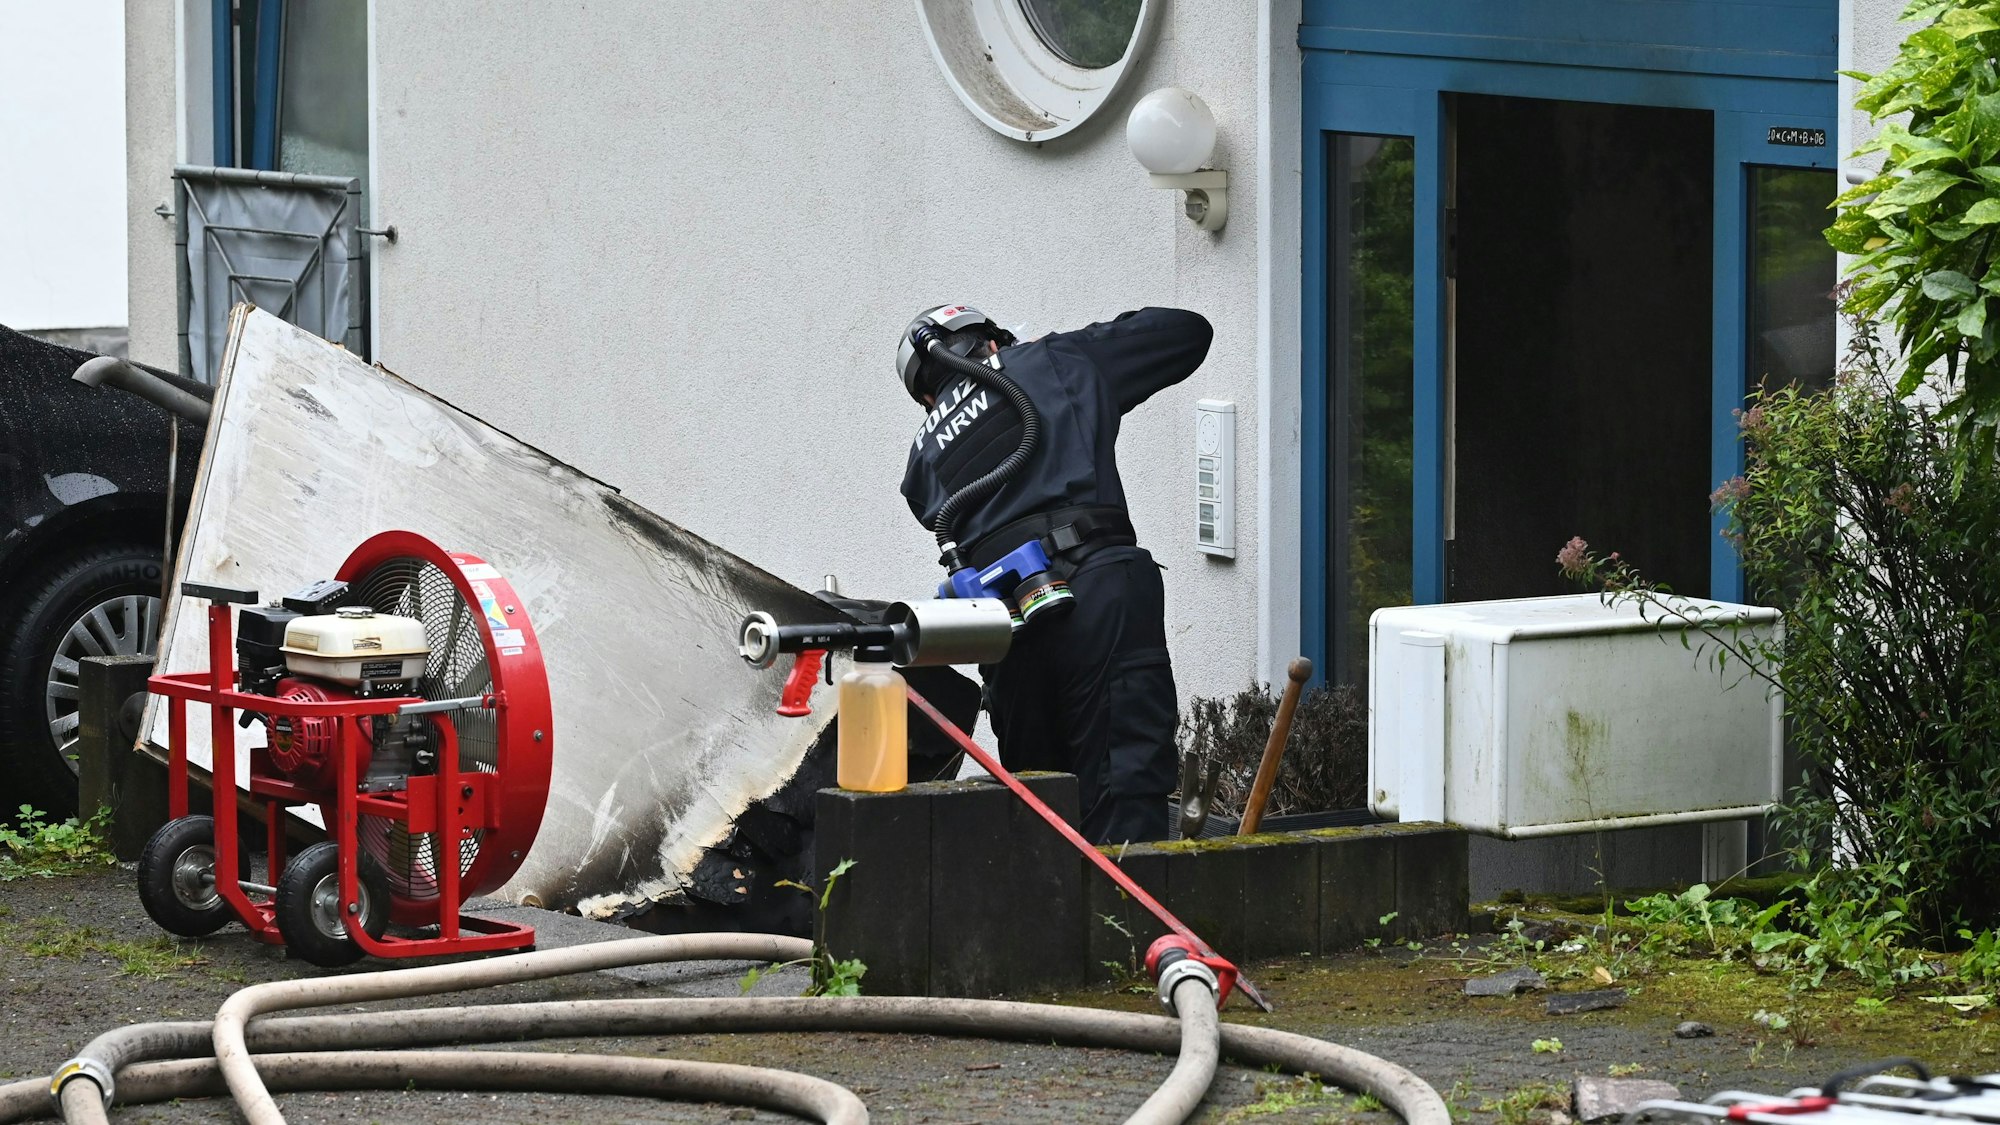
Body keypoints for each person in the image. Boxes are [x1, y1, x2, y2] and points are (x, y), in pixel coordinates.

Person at [897, 304, 1213, 845]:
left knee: (1041, 808)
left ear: (926, 397)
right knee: (1123, 786)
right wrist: (1062, 347)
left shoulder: (920, 464)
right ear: (994, 343)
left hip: (1007, 630)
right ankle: (1133, 927)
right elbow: (1188, 332)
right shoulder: (1053, 361)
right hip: (1096, 593)